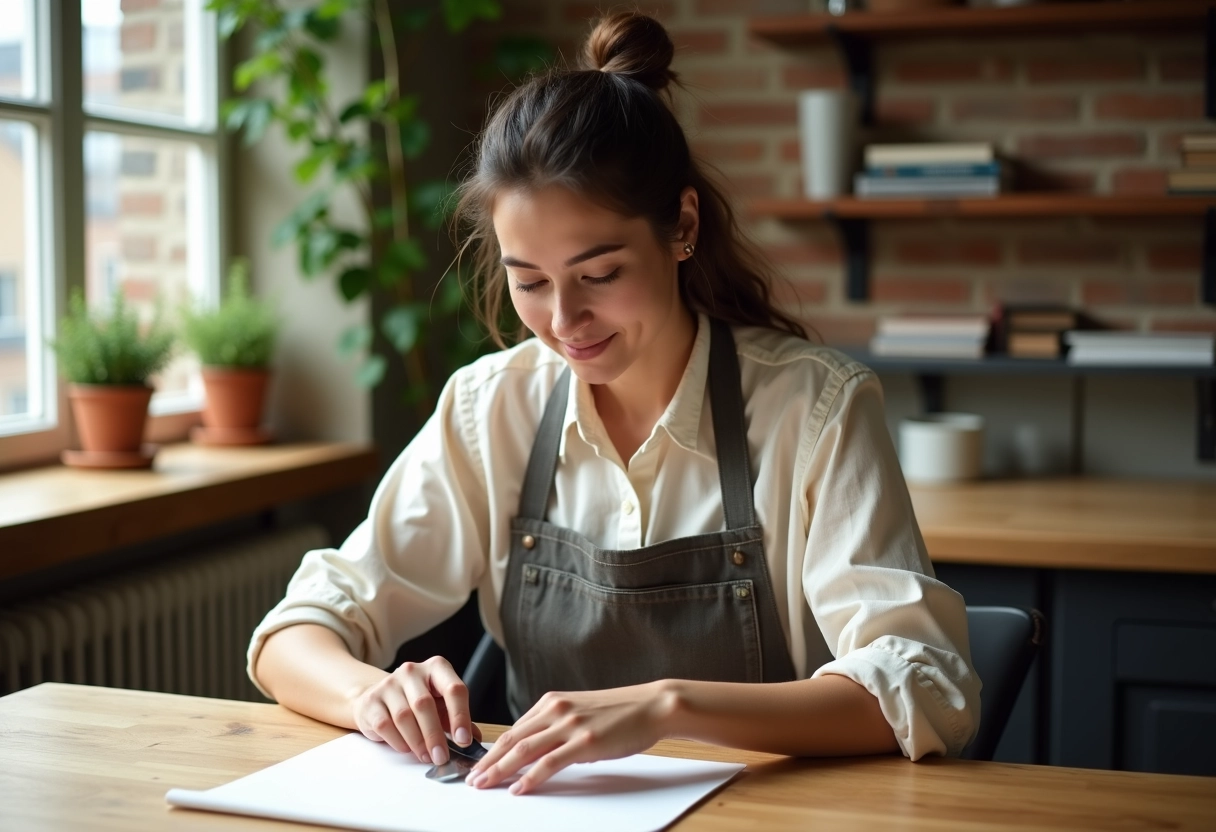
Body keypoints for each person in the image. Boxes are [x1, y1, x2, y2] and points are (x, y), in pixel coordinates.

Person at [248, 11, 979, 797]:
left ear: (682, 226)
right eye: (531, 281)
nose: (564, 321)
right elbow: (294, 632)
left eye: (599, 275)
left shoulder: (815, 408)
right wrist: (372, 694)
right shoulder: (490, 408)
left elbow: (926, 685)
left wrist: (669, 707)